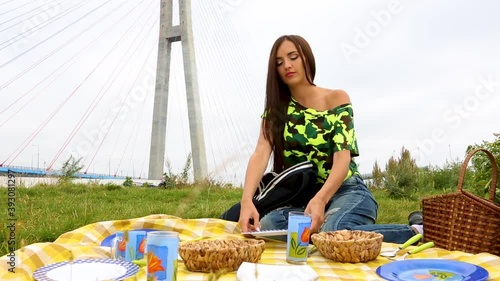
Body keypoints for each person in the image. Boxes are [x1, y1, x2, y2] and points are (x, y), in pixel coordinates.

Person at [220, 34, 379, 239]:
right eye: (279, 62)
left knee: (331, 233)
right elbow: (260, 153)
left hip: (346, 191)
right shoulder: (277, 111)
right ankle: (333, 233)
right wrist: (246, 201)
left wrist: (321, 200)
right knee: (268, 225)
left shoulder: (336, 98)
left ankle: (416, 231)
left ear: (306, 58)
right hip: (303, 199)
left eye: (293, 57)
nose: (287, 65)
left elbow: (343, 158)